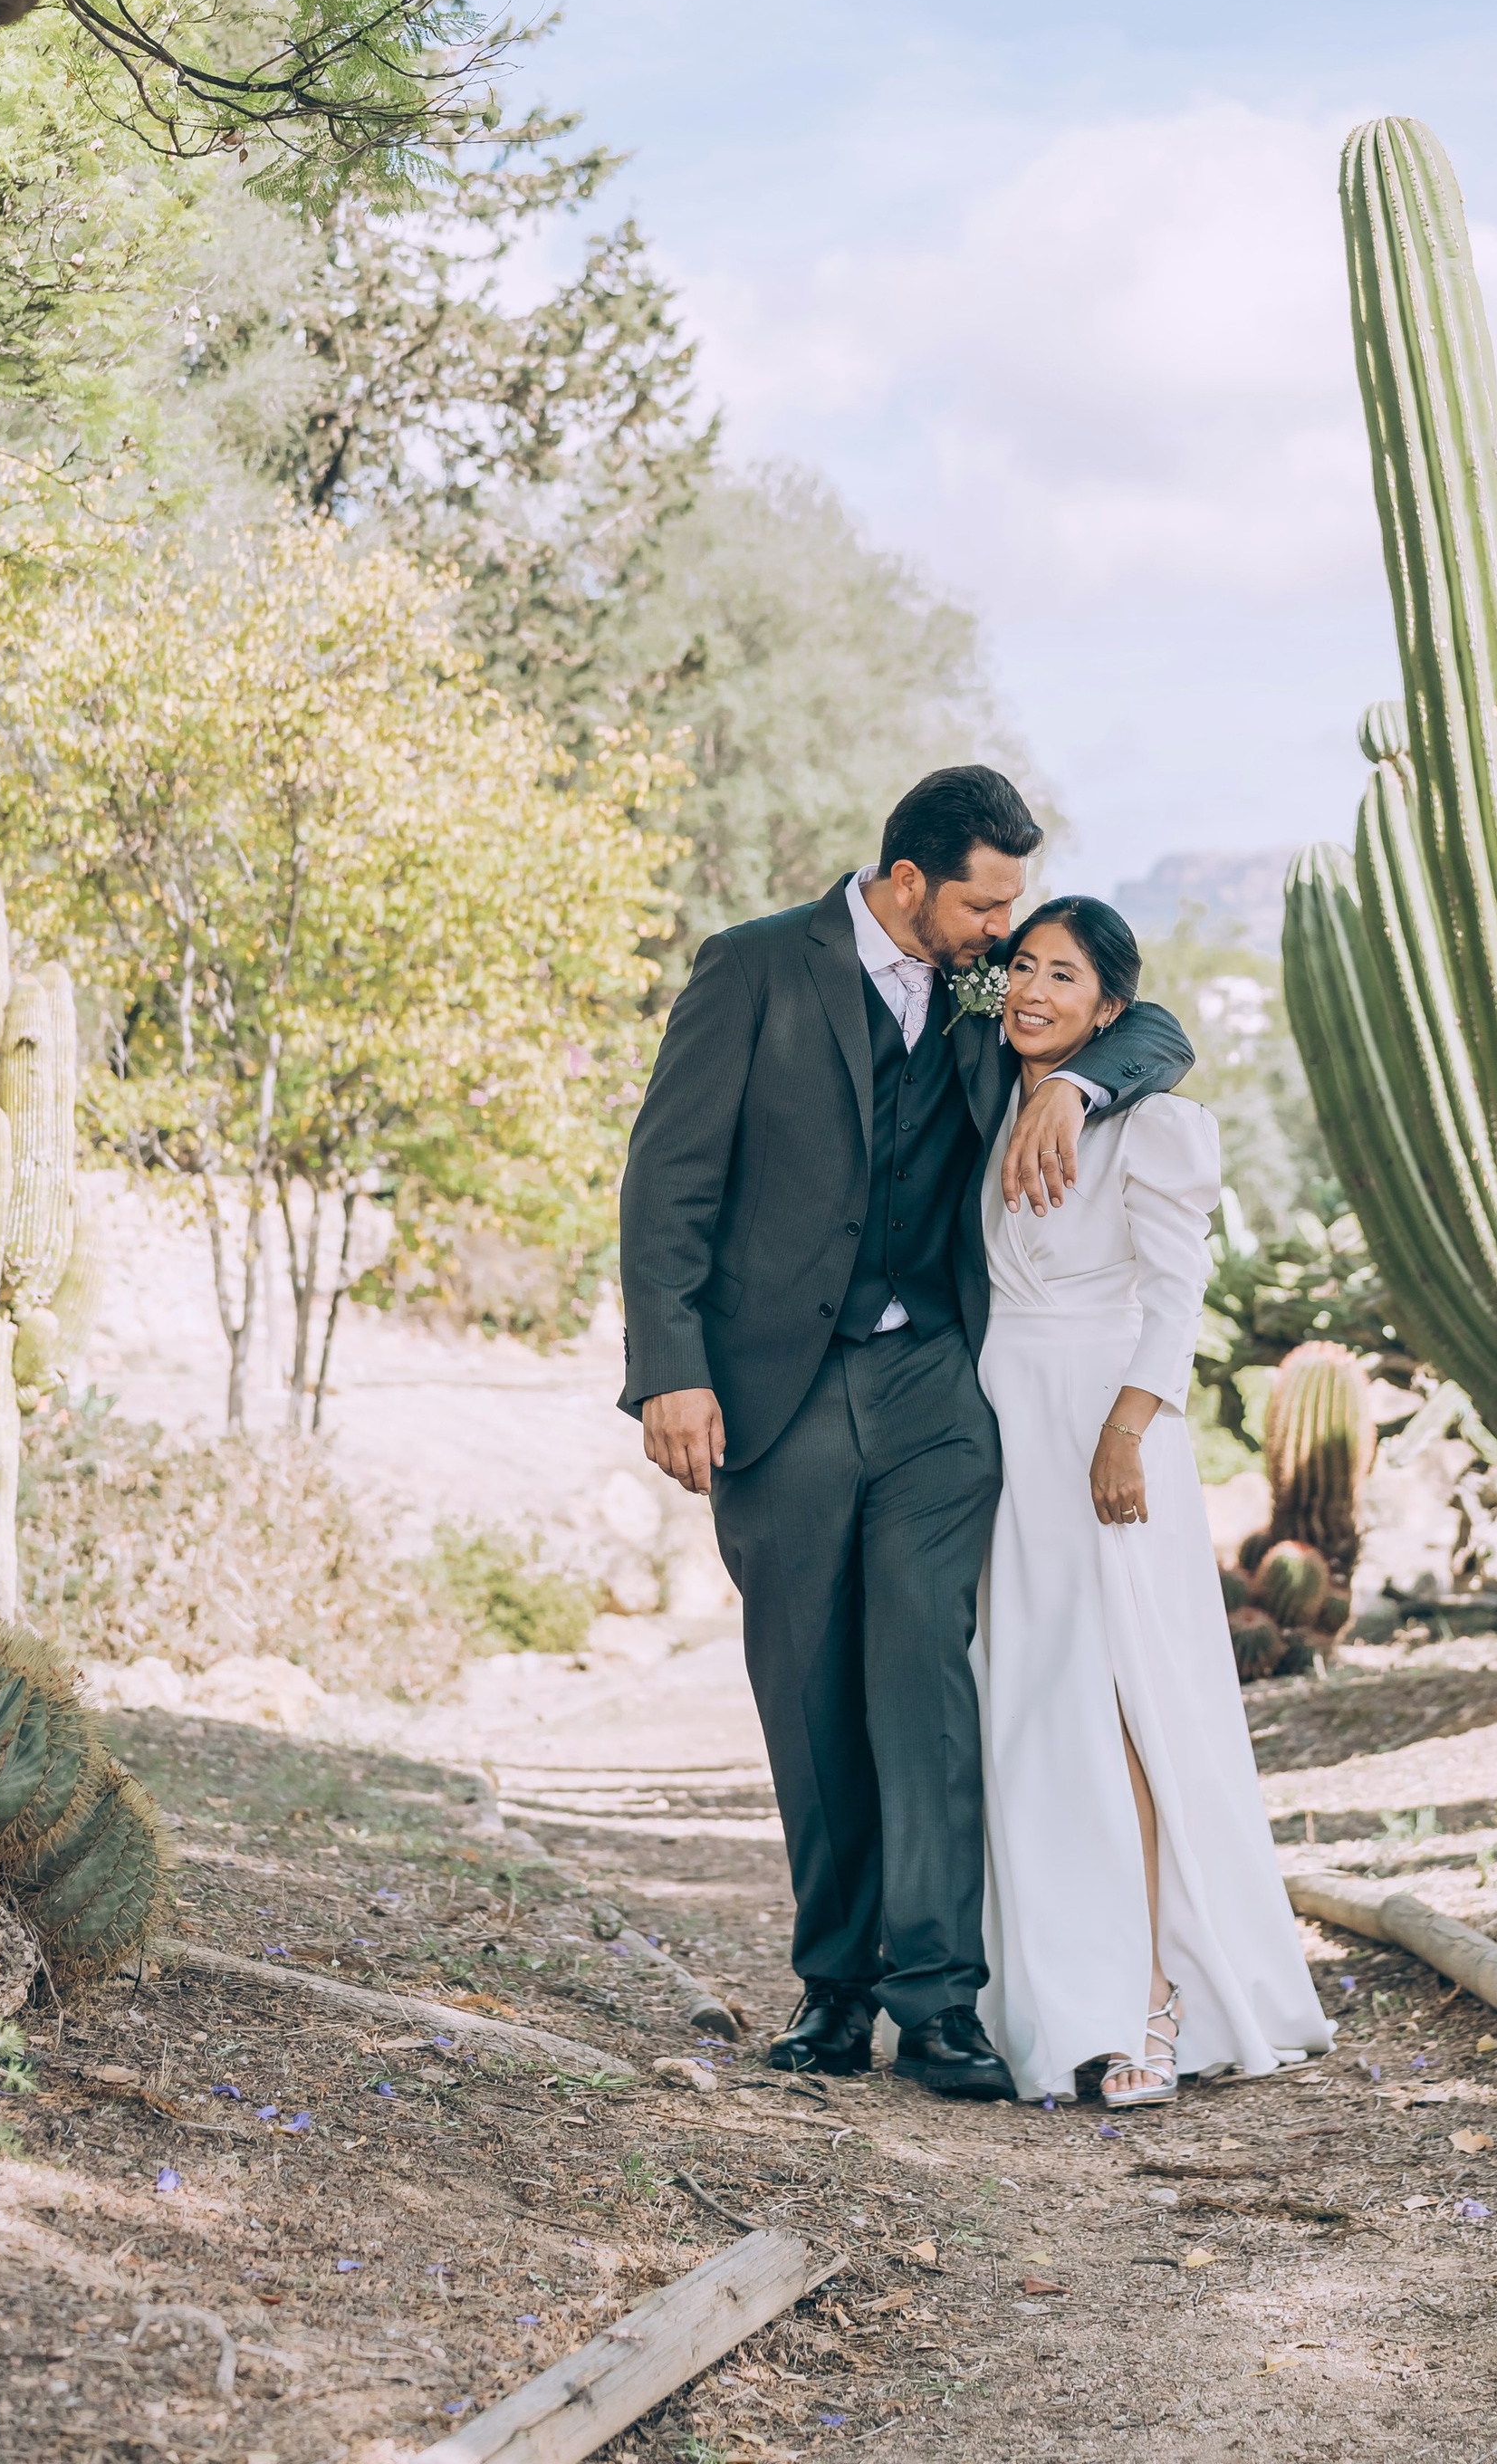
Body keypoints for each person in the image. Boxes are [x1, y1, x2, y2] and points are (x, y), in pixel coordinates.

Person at [618, 764, 1194, 2100]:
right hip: (779, 1388)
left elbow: (1151, 1026)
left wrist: (1077, 1091)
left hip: (938, 1384)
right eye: (986, 906)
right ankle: (835, 1992)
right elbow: (669, 1180)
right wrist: (670, 1372)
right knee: (811, 1692)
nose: (1004, 934)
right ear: (910, 882)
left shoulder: (986, 987)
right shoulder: (755, 968)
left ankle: (940, 2004)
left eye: (1013, 912)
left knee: (929, 1681)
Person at [974, 894, 1331, 2106]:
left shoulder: (1152, 1123)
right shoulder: (989, 1085)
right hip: (1005, 1422)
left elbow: (1174, 1301)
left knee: (1123, 1697)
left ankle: (1155, 1998)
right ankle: (1040, 1989)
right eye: (1021, 966)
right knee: (1032, 1700)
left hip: (1103, 1422)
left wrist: (1130, 1429)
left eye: (1063, 975)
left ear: (1111, 1007)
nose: (1031, 990)